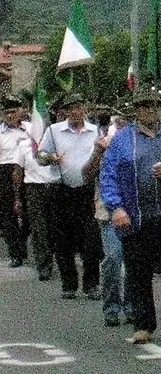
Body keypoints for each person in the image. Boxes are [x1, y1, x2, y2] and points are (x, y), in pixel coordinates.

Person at [99, 86, 161, 346]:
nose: (148, 111)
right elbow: (108, 175)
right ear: (136, 110)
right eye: (142, 106)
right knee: (138, 271)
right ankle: (143, 324)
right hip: (137, 214)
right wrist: (116, 208)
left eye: (153, 106)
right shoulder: (122, 139)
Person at [38, 93, 104, 301]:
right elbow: (40, 155)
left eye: (79, 107)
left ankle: (91, 284)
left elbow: (102, 158)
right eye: (71, 108)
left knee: (91, 241)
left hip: (85, 192)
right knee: (62, 240)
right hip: (60, 191)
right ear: (65, 112)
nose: (75, 112)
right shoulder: (54, 131)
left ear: (84, 108)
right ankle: (69, 283)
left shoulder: (95, 131)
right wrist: (50, 158)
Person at [92, 105, 130, 327]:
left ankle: (133, 306)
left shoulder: (138, 140)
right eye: (122, 120)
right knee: (114, 258)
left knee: (135, 262)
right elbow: (88, 174)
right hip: (109, 211)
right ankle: (112, 306)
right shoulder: (105, 141)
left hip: (136, 210)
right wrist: (98, 152)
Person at [20, 97, 60, 282]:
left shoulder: (56, 143)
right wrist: (17, 197)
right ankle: (43, 265)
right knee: (39, 228)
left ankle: (58, 258)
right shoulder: (24, 146)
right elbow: (17, 172)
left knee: (54, 228)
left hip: (53, 188)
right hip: (33, 189)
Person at [0, 95, 29, 268]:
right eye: (6, 112)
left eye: (13, 111)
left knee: (28, 214)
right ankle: (15, 253)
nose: (10, 115)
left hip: (28, 171)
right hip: (5, 171)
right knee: (7, 215)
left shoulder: (30, 129)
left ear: (21, 112)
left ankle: (22, 241)